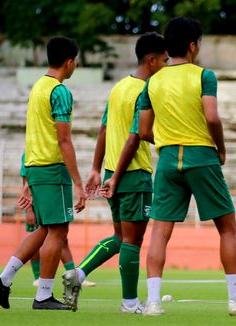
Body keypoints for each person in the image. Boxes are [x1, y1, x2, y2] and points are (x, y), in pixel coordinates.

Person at [125, 16, 236, 316]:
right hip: (201, 156)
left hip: (166, 160)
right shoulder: (204, 75)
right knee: (227, 228)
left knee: (160, 231)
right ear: (193, 45)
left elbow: (143, 130)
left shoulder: (153, 81)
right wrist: (221, 149)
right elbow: (212, 117)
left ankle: (151, 302)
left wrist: (167, 139)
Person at [62, 32, 168, 314]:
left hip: (112, 170)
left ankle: (78, 274)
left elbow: (104, 129)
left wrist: (98, 169)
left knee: (121, 238)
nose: (167, 65)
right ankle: (130, 303)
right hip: (132, 174)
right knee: (133, 240)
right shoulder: (145, 91)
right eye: (165, 60)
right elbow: (136, 137)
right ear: (152, 60)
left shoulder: (119, 88)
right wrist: (118, 176)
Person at [0, 36, 87, 311]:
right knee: (58, 230)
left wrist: (28, 180)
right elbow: (64, 140)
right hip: (52, 169)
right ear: (70, 62)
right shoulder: (60, 91)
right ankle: (43, 295)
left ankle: (4, 280)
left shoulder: (38, 87)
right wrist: (78, 184)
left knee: (44, 229)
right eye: (75, 61)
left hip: (35, 167)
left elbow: (33, 134)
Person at [19, 153, 95, 288]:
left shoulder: (43, 146)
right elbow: (26, 179)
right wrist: (30, 210)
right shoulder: (31, 150)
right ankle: (37, 277)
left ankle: (72, 275)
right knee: (41, 237)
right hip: (38, 199)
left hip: (49, 193)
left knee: (60, 236)